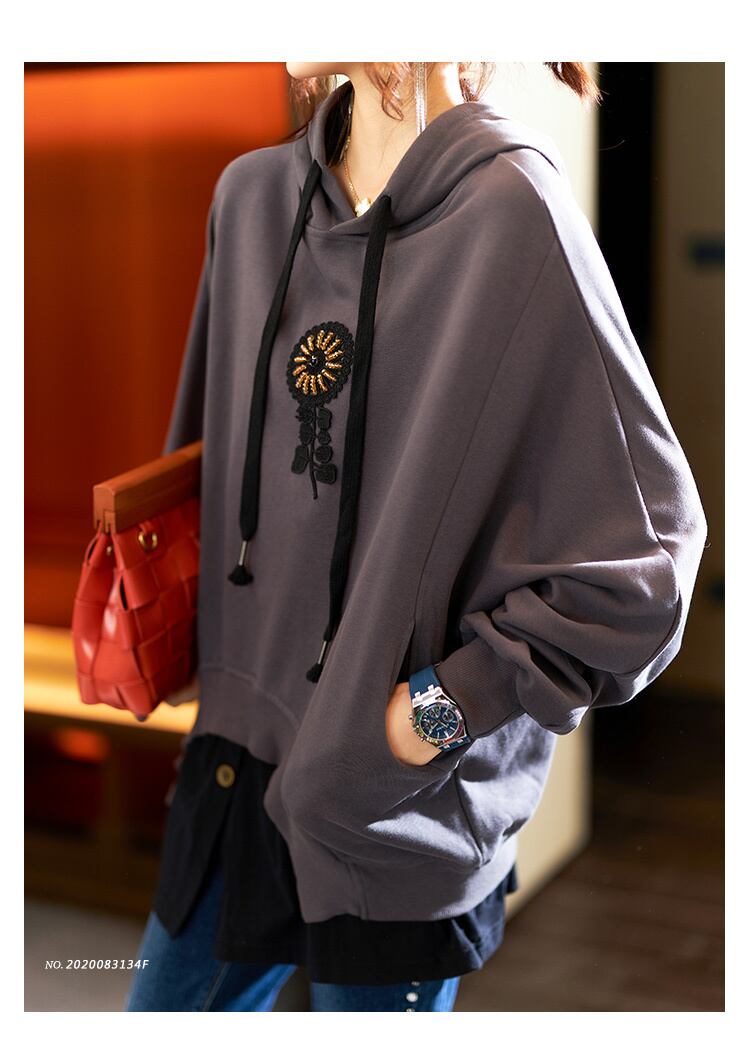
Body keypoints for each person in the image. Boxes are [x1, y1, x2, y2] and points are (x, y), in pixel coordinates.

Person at [123, 61, 708, 1013]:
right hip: (233, 756)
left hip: (396, 809)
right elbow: (214, 459)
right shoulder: (252, 198)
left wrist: (420, 722)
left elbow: (644, 574)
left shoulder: (515, 215)